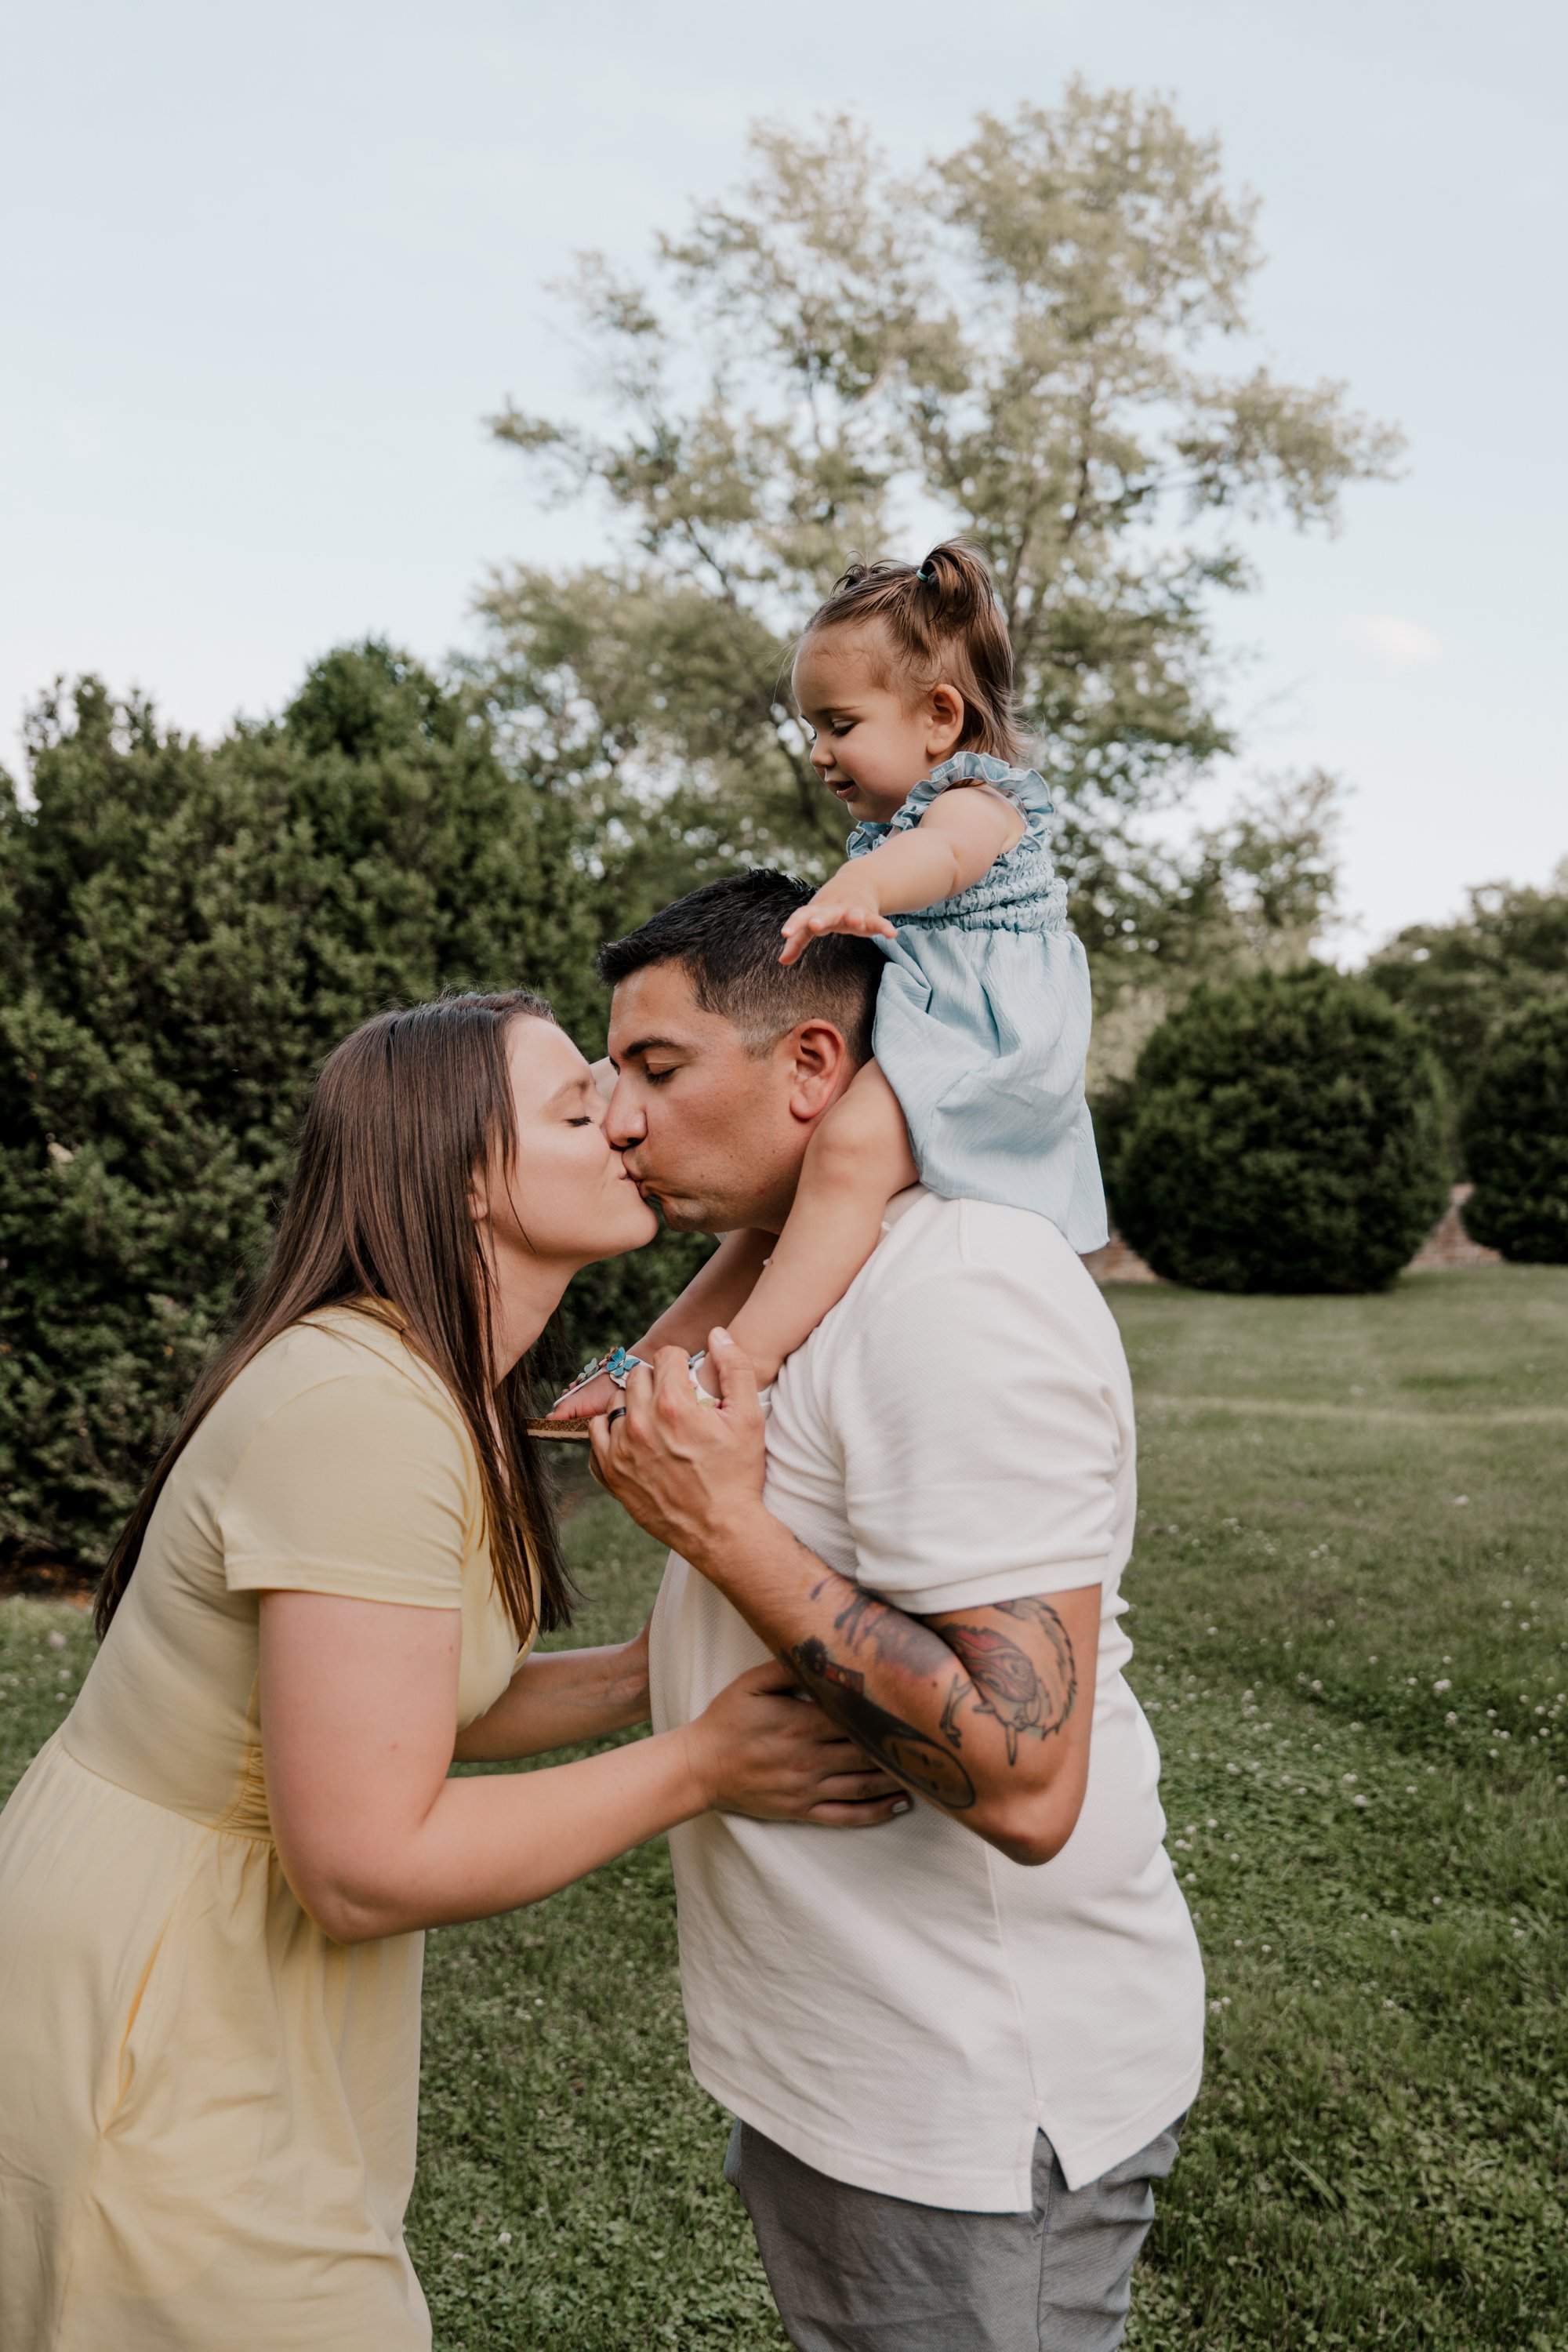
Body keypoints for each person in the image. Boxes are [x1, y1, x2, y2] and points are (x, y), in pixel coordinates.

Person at [0, 990, 906, 2352]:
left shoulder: (435, 1377)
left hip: (200, 1947)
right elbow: (364, 1860)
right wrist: (699, 1763)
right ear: (466, 1183)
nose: (622, 1117)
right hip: (155, 1996)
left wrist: (636, 1679)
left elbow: (397, 1707)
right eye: (574, 1105)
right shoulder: (360, 1415)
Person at [588, 881, 1205, 2352]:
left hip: (973, 2117)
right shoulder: (801, 1284)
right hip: (846, 2080)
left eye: (656, 1070)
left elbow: (1024, 1774)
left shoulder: (958, 1294)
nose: (618, 1118)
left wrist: (721, 1530)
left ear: (813, 1067)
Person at [555, 540, 1105, 1420]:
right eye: (812, 728)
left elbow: (943, 857)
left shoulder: (978, 799)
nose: (817, 752)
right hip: (934, 1027)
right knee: (789, 1199)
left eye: (838, 725)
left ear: (937, 715)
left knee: (845, 1152)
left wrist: (858, 888)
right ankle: (640, 1364)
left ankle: (740, 1369)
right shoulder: (894, 829)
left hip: (985, 1042)